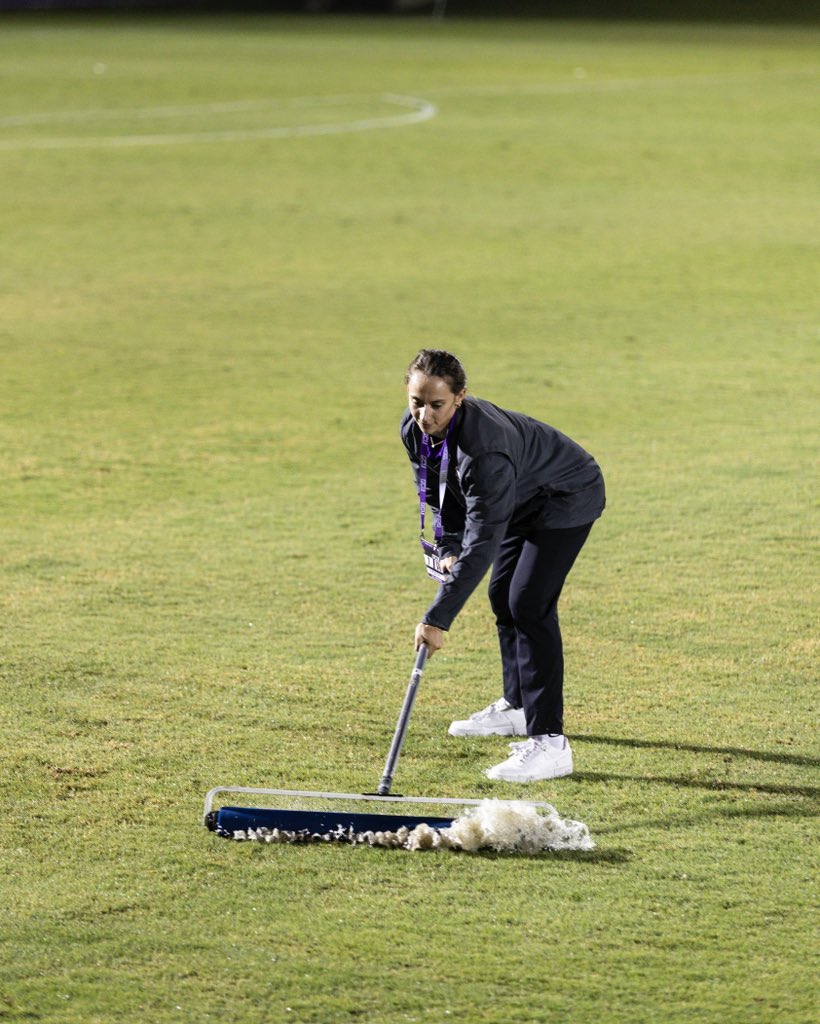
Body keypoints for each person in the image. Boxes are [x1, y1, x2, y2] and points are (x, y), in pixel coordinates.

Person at [401, 349, 605, 782]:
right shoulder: (414, 431)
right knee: (502, 596)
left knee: (529, 603)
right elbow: (443, 489)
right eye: (416, 402)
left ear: (460, 398)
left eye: (436, 404)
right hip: (518, 495)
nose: (424, 415)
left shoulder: (484, 450)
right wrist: (449, 543)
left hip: (565, 495)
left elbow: (484, 540)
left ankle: (551, 743)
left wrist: (438, 617)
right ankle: (517, 706)